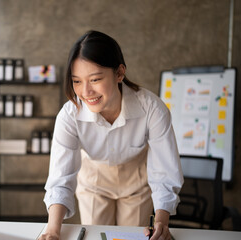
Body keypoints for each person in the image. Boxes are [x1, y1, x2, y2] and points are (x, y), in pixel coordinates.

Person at [39, 30, 184, 240]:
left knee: (131, 237)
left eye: (95, 79)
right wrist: (52, 231)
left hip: (137, 184)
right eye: (77, 81)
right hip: (93, 182)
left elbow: (165, 172)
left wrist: (161, 222)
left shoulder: (152, 109)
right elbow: (60, 178)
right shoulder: (69, 115)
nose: (85, 91)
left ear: (119, 73)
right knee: (96, 237)